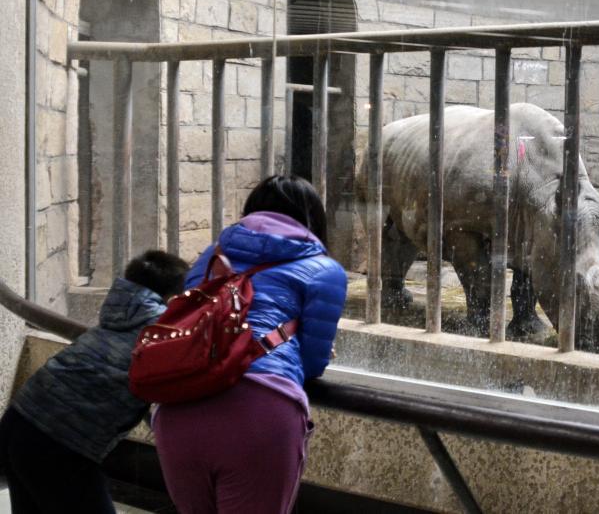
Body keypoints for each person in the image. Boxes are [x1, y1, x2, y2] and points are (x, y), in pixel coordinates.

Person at [153, 175, 347, 514]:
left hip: (178, 413)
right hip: (260, 413)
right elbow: (314, 363)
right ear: (314, 220)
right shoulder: (324, 270)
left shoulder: (210, 257)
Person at [0, 250, 190, 513]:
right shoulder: (161, 334)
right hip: (59, 444)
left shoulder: (115, 318)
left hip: (18, 420)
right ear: (173, 296)